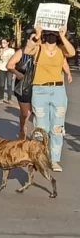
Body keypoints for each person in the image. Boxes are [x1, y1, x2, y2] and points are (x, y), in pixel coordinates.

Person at [24, 24, 76, 171]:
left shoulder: (61, 49)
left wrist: (63, 36)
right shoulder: (38, 47)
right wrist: (37, 35)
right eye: (50, 34)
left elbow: (71, 53)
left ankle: (54, 160)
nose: (52, 37)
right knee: (42, 127)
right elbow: (28, 50)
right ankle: (39, 158)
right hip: (40, 90)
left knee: (57, 127)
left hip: (58, 90)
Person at [0, 38, 15, 103]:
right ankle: (1, 98)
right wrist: (1, 52)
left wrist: (14, 71)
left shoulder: (12, 50)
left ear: (7, 43)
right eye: (2, 43)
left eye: (4, 42)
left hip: (10, 69)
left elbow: (14, 61)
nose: (3, 44)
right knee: (2, 84)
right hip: (2, 68)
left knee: (9, 84)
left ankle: (9, 99)